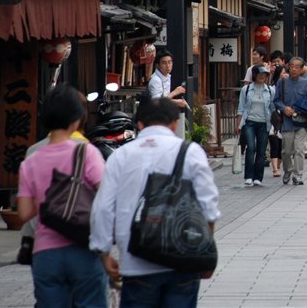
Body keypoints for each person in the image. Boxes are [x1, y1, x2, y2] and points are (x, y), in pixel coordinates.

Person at [90, 97, 219, 307]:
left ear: (139, 124)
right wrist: (204, 250)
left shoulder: (120, 156)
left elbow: (103, 208)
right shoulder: (191, 152)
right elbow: (209, 207)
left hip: (136, 260)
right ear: (175, 123)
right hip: (183, 259)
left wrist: (103, 252)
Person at [17, 84, 107, 306]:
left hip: (46, 254)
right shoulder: (86, 152)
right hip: (83, 248)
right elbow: (106, 197)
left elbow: (24, 213)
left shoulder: (31, 160)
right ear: (77, 119)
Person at [275, 57, 307, 185]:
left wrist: (300, 110)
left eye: (297, 67)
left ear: (302, 69)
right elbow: (276, 100)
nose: (294, 69)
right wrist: (284, 108)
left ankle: (298, 175)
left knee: (299, 150)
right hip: (287, 122)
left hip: (301, 121)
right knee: (286, 151)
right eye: (291, 66)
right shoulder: (282, 82)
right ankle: (288, 170)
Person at [237, 65, 274, 186]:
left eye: (265, 74)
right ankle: (248, 176)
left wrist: (275, 125)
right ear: (254, 74)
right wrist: (238, 124)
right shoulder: (246, 89)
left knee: (261, 150)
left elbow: (272, 108)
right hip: (249, 122)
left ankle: (258, 177)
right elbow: (241, 108)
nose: (262, 76)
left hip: (264, 123)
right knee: (251, 147)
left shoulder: (270, 90)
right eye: (260, 74)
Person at [148, 49, 187, 138]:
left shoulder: (166, 77)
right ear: (158, 65)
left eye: (169, 62)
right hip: (155, 118)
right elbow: (157, 102)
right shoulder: (156, 80)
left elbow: (164, 98)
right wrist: (175, 94)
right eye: (164, 63)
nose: (168, 66)